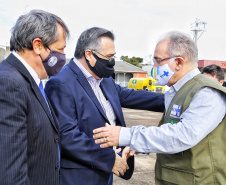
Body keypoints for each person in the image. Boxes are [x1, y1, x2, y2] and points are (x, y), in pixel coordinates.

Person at [93, 31, 226, 184]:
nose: (154, 67)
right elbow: (167, 134)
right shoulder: (176, 91)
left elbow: (182, 135)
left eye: (158, 61)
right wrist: (139, 145)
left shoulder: (206, 92)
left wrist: (126, 135)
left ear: (179, 62)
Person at [45, 27, 165, 185]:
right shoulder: (61, 83)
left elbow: (131, 96)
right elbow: (67, 136)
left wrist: (175, 99)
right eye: (108, 57)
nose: (112, 62)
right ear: (89, 54)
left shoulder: (104, 79)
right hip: (81, 177)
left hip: (107, 172)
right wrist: (109, 159)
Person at [0, 9, 69, 185]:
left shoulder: (32, 80)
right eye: (60, 49)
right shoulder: (9, 83)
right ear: (38, 45)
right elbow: (11, 173)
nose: (62, 57)